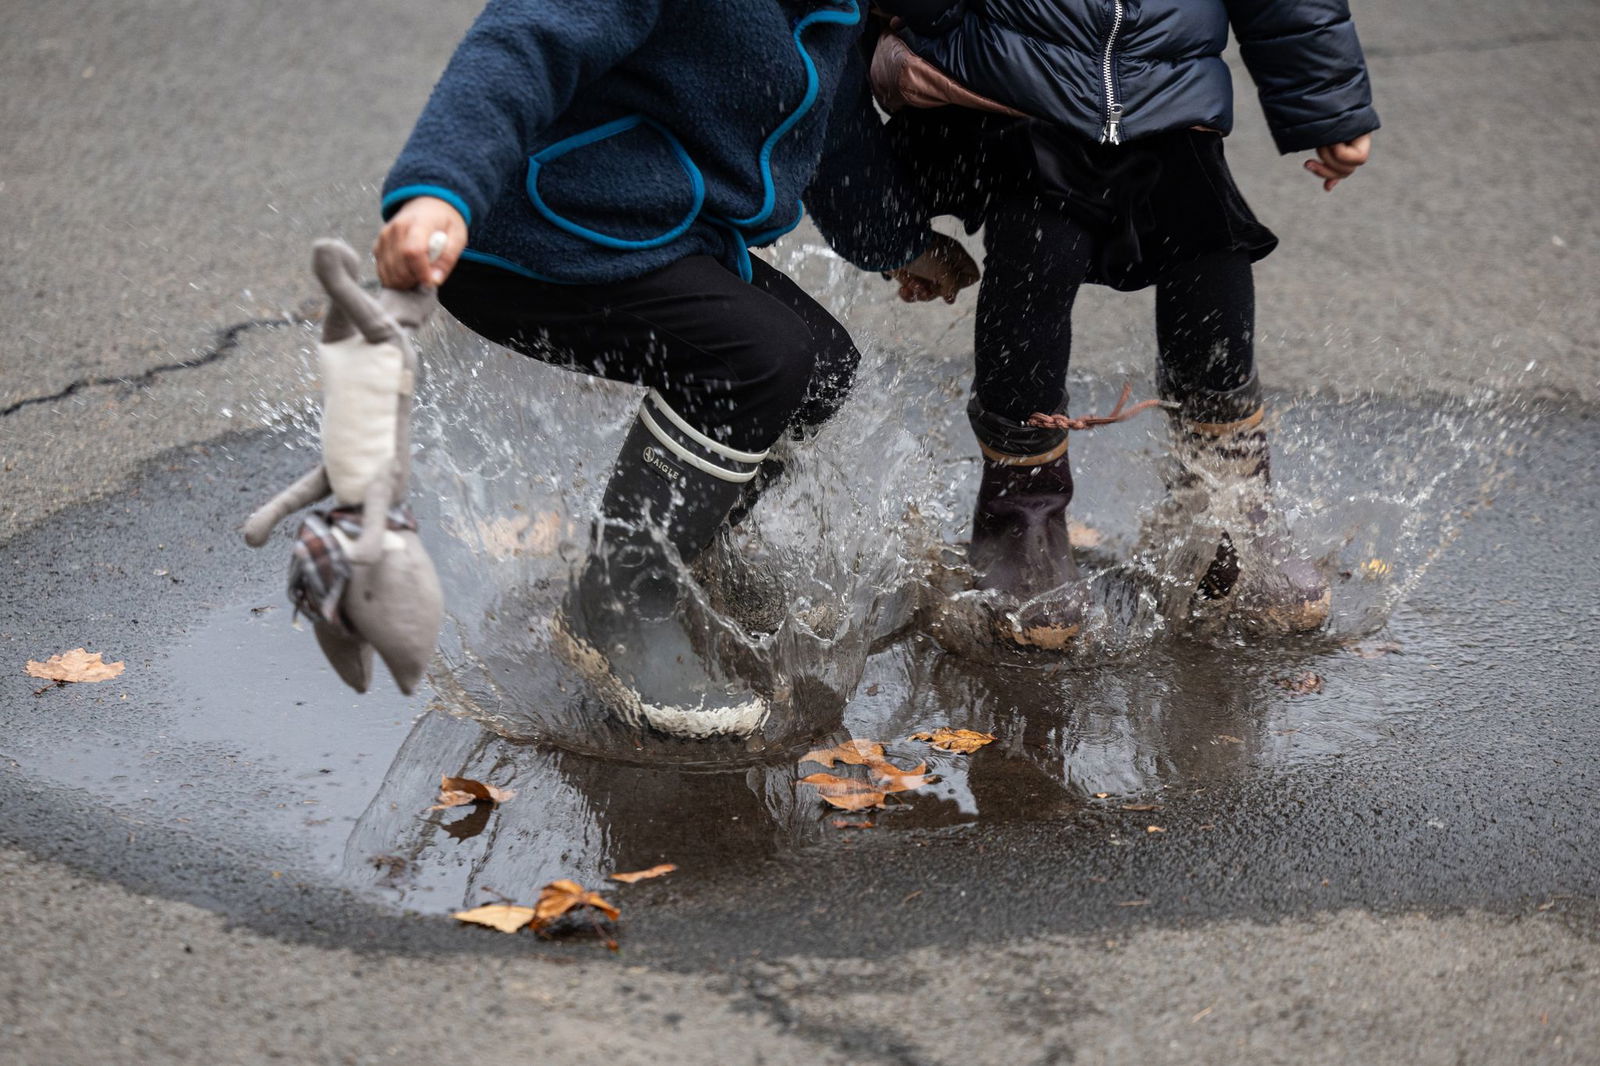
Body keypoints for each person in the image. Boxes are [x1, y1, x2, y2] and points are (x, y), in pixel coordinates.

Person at [371, 0, 979, 739]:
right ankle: (620, 605)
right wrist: (440, 189)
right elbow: (524, 41)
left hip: (650, 228)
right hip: (531, 234)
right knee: (756, 356)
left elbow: (838, 137)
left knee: (819, 369)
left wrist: (900, 244)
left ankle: (679, 552)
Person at [870, 0, 1379, 646]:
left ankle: (1226, 503)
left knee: (1212, 257)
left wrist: (1327, 101)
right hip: (1021, 80)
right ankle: (1021, 513)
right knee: (1039, 255)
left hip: (1166, 86)